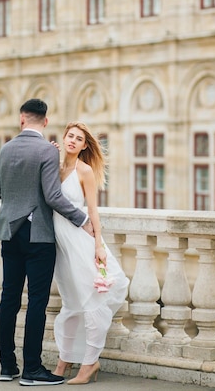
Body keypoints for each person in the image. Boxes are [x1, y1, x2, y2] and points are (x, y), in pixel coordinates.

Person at [0, 99, 93, 386]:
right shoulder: (47, 151)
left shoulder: (6, 149)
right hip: (38, 235)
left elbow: (1, 190)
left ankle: (7, 366)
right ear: (45, 122)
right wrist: (82, 219)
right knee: (37, 301)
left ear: (22, 119)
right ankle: (32, 370)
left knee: (8, 299)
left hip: (9, 231)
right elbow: (53, 196)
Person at [52, 121, 129, 385]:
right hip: (61, 245)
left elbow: (93, 211)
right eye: (70, 136)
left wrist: (98, 245)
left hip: (80, 241)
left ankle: (89, 363)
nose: (73, 140)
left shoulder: (84, 171)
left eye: (78, 138)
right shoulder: (54, 167)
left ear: (85, 145)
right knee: (71, 304)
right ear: (63, 138)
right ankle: (63, 362)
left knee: (91, 303)